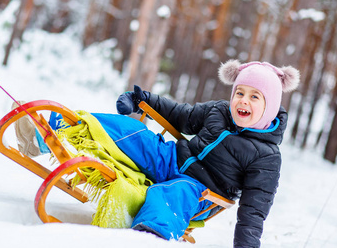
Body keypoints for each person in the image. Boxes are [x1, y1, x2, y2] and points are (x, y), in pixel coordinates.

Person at [113, 59, 300, 247]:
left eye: (255, 97)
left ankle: (148, 238)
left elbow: (254, 210)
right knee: (135, 134)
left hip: (201, 191)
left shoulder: (266, 156)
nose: (243, 100)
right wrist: (142, 99)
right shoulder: (218, 110)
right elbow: (180, 114)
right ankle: (86, 127)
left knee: (174, 194)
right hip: (172, 159)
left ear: (270, 107)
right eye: (240, 92)